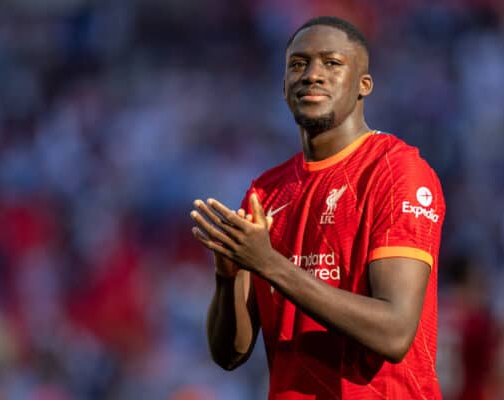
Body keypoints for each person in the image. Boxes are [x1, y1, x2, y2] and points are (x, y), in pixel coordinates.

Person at [190, 16, 445, 399]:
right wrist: (227, 278)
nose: (312, 75)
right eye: (298, 64)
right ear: (283, 86)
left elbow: (394, 332)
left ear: (364, 85)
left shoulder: (396, 171)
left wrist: (269, 264)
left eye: (332, 63)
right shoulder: (266, 192)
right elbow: (230, 354)